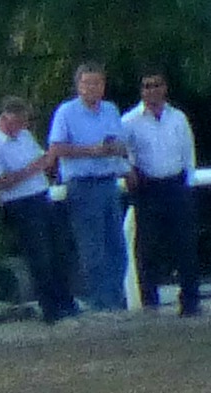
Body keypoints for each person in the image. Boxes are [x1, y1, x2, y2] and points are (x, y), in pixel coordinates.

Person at [0, 97, 80, 325]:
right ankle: (50, 308)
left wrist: (43, 164)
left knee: (58, 250)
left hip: (41, 196)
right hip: (20, 203)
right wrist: (29, 171)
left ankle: (66, 301)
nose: (23, 126)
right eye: (20, 120)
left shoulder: (24, 136)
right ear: (7, 118)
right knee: (39, 256)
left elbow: (41, 159)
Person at [46, 63, 131, 314]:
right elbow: (56, 148)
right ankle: (98, 303)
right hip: (83, 185)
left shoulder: (110, 110)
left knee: (116, 245)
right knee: (92, 248)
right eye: (87, 83)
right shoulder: (66, 112)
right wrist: (92, 150)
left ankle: (115, 300)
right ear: (78, 86)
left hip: (108, 182)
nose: (92, 88)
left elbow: (121, 143)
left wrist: (115, 149)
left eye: (97, 83)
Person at [123, 72, 201, 317]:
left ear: (165, 88)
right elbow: (124, 154)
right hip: (147, 188)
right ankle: (150, 302)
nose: (152, 90)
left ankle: (190, 300)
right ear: (141, 91)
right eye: (146, 86)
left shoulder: (178, 118)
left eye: (156, 85)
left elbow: (188, 152)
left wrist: (187, 183)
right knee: (148, 248)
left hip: (176, 185)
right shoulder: (129, 121)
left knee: (185, 244)